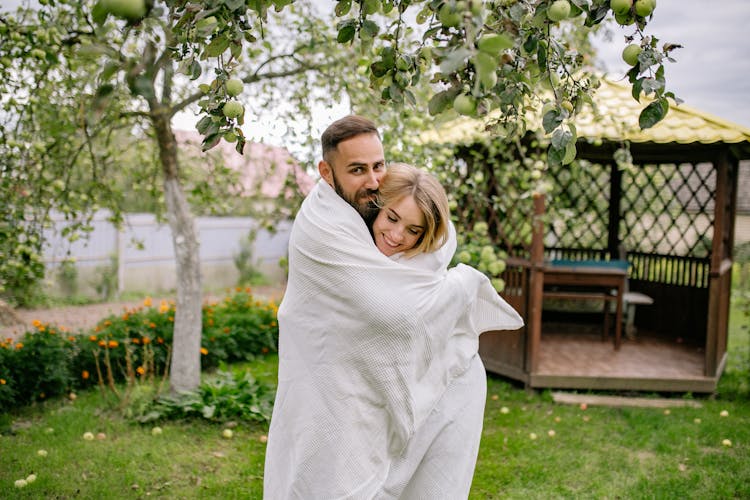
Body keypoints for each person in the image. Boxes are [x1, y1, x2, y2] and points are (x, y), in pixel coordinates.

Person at [263, 115, 523, 499]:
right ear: (325, 171)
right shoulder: (324, 227)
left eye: (378, 166)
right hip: (330, 382)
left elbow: (440, 235)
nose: (371, 180)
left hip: (441, 385)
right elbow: (396, 309)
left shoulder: (379, 206)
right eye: (356, 169)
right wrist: (463, 283)